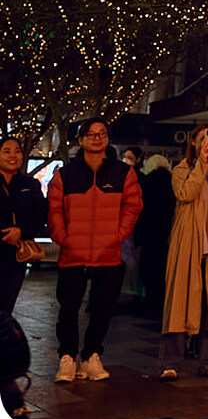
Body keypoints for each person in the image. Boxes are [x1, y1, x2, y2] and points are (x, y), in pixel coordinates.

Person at [48, 119, 143, 384]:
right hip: (72, 253)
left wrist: (117, 234)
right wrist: (63, 238)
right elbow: (54, 209)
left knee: (102, 308)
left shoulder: (123, 172)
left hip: (108, 254)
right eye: (91, 134)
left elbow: (133, 206)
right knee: (68, 308)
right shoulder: (64, 174)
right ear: (80, 140)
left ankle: (91, 356)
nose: (97, 138)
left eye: (101, 134)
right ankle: (67, 358)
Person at [160, 125, 208, 380]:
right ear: (193, 142)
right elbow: (186, 193)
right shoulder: (181, 169)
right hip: (186, 241)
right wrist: (201, 165)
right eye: (203, 138)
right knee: (179, 300)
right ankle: (172, 362)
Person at [0, 137, 47, 314]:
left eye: (17, 151)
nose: (13, 156)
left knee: (6, 308)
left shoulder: (30, 184)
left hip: (17, 255)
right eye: (6, 151)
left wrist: (21, 231)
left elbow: (41, 215)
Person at [135, 155, 174, 318]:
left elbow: (140, 210)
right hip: (167, 233)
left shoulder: (146, 183)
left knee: (149, 269)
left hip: (149, 233)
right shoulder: (173, 182)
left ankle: (149, 304)